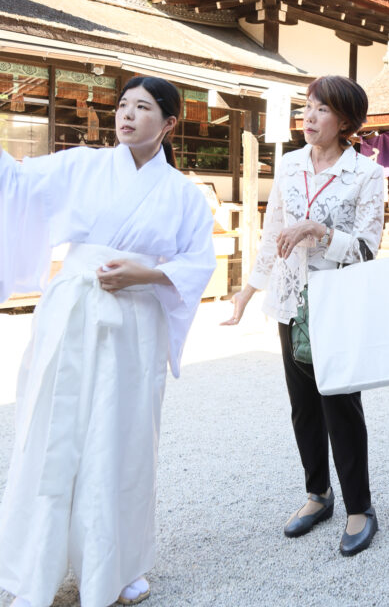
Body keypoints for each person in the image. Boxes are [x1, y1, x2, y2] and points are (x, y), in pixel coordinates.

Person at [0, 76, 216, 607]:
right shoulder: (82, 165)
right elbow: (16, 184)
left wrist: (147, 274)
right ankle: (32, 566)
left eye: (143, 108)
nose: (127, 115)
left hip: (134, 323)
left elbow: (199, 262)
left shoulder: (184, 195)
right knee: (51, 432)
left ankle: (115, 567)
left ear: (168, 124)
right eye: (122, 105)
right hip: (71, 312)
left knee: (121, 440)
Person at [223, 75, 384, 557]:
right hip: (292, 300)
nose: (309, 117)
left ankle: (360, 506)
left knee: (341, 406)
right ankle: (319, 495)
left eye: (321, 110)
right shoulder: (291, 165)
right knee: (303, 407)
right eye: (307, 107)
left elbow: (367, 248)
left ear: (346, 121)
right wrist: (249, 290)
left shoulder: (366, 173)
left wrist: (320, 232)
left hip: (336, 303)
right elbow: (274, 229)